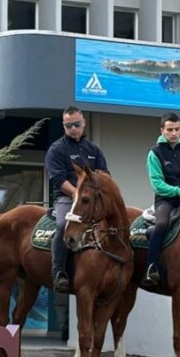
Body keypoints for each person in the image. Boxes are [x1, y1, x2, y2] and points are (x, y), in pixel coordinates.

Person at [45, 106, 110, 293]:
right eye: (69, 125)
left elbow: (104, 175)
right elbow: (57, 179)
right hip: (67, 199)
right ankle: (58, 272)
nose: (73, 128)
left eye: (76, 124)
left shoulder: (94, 150)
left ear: (83, 123)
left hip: (93, 201)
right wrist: (76, 194)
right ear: (64, 126)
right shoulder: (56, 149)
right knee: (62, 226)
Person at [143, 112, 180, 286]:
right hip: (166, 201)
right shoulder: (155, 153)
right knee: (161, 225)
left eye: (176, 129)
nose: (174, 133)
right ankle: (150, 267)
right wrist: (178, 192)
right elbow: (157, 183)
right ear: (162, 130)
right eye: (169, 129)